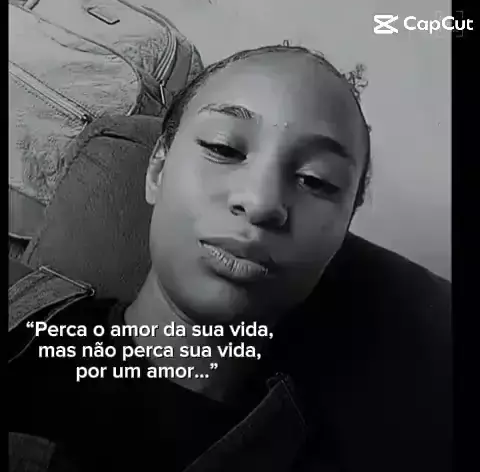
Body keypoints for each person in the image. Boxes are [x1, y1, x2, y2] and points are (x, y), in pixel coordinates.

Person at [8, 45, 451, 472]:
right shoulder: (20, 309)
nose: (261, 203)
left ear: (343, 231)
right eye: (224, 148)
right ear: (157, 169)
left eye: (316, 180)